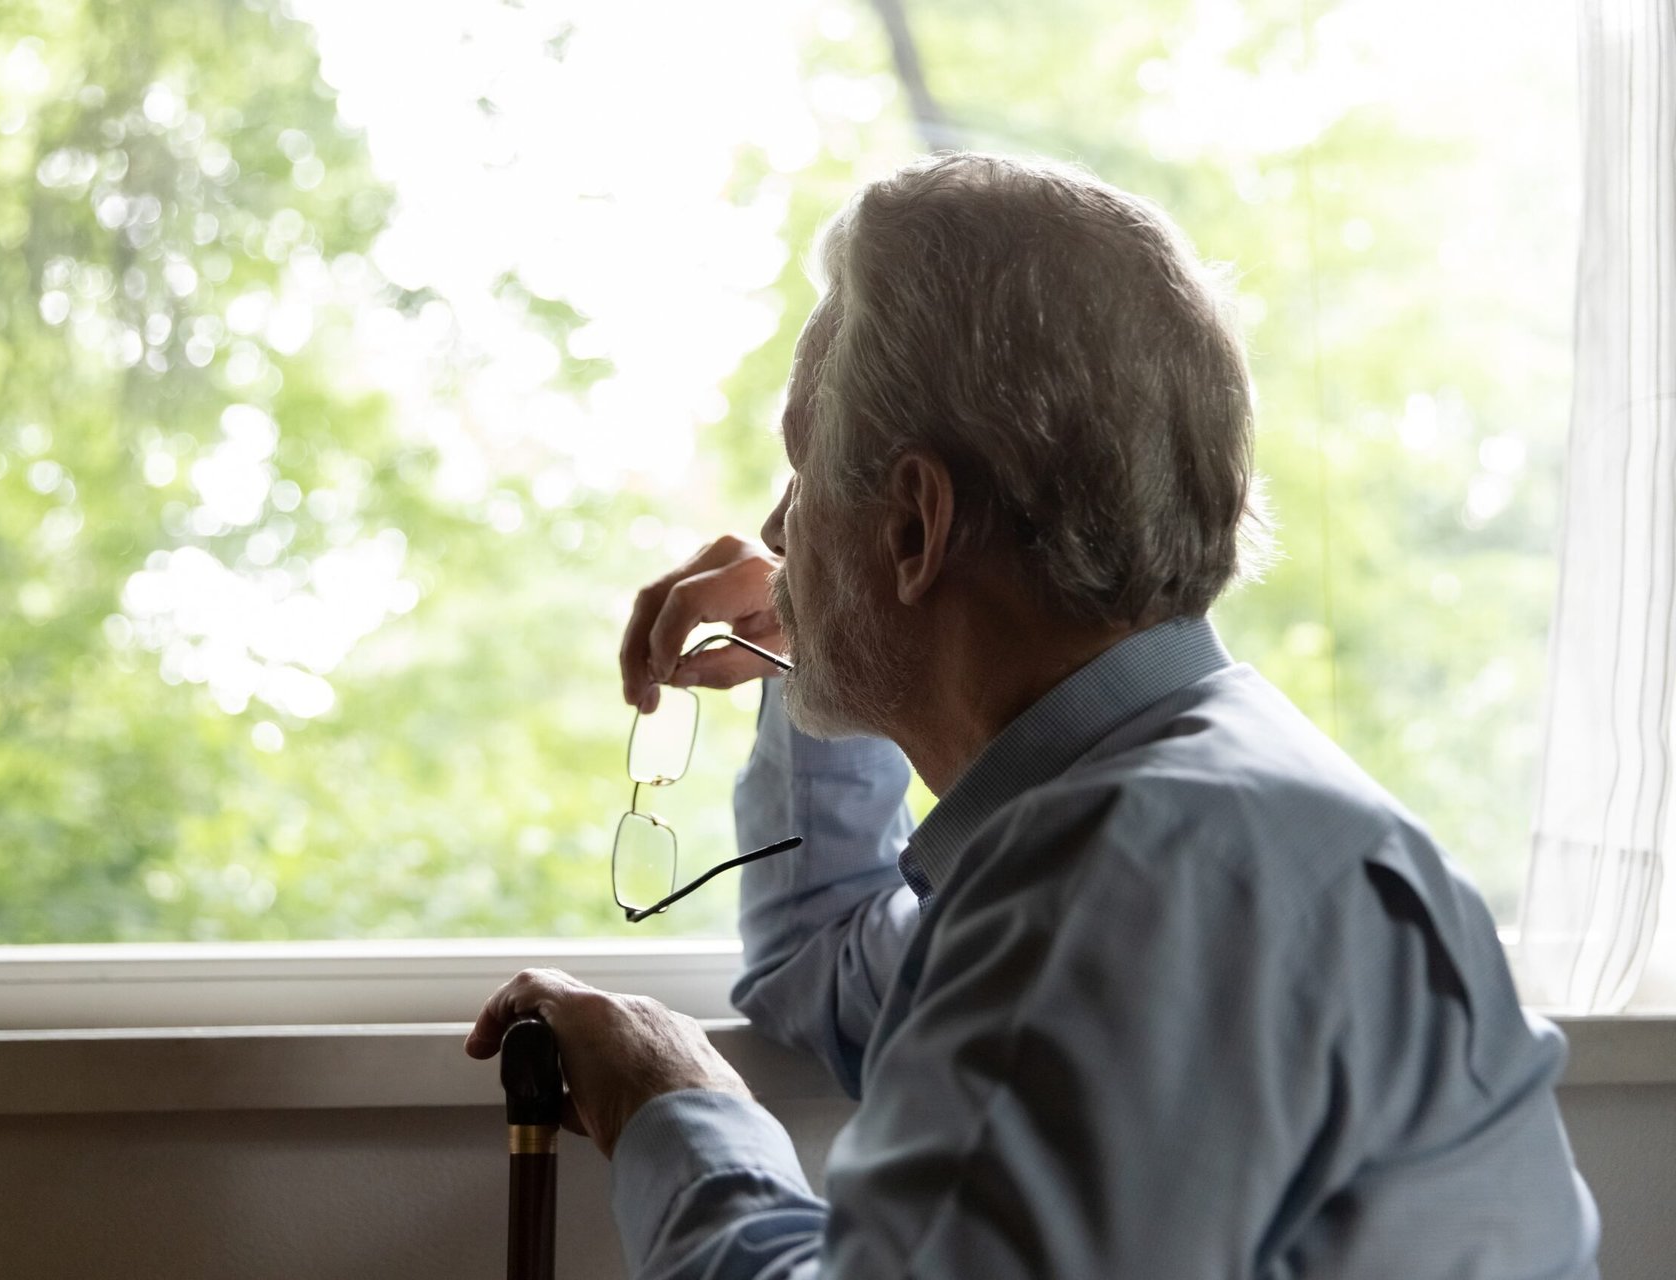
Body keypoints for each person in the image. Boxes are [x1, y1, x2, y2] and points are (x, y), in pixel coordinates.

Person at [465, 152, 1600, 1279]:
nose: (773, 527)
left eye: (802, 481)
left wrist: (672, 1107)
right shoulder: (1169, 807)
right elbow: (825, 964)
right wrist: (829, 619)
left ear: (916, 525)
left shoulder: (1128, 876)